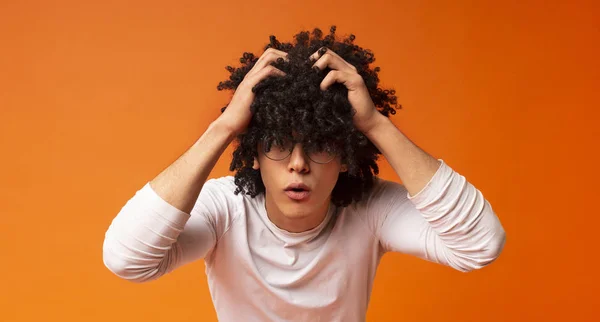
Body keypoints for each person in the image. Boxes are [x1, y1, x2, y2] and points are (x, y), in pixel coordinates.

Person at [102, 26, 506, 321]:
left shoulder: (368, 207)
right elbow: (126, 260)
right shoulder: (226, 207)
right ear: (254, 152)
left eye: (321, 145)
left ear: (347, 155)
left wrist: (375, 124)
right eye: (278, 143)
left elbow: (481, 245)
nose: (298, 163)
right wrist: (224, 127)